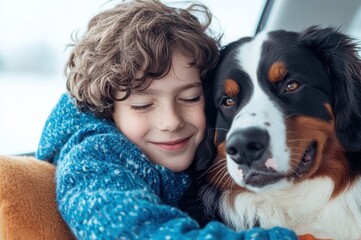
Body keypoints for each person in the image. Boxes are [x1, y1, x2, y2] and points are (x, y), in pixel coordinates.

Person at [36, 0, 297, 239]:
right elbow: (133, 230)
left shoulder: (205, 143)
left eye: (191, 98)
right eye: (143, 104)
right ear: (107, 110)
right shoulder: (93, 159)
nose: (171, 121)